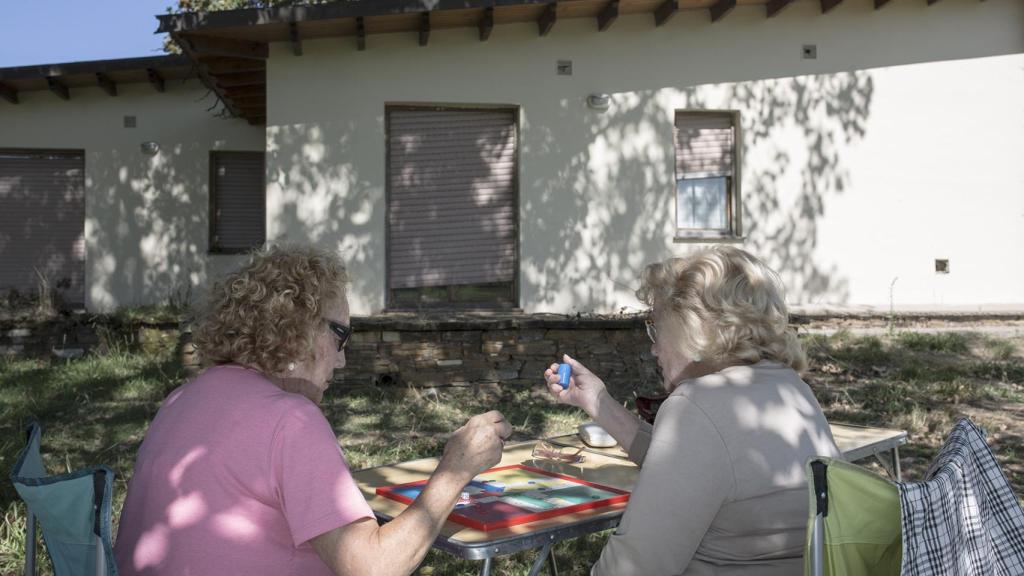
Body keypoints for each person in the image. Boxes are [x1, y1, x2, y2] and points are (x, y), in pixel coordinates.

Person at [115, 244, 511, 576]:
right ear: (296, 327)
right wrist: (456, 468)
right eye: (341, 335)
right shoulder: (289, 420)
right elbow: (374, 566)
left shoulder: (183, 398)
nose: (341, 361)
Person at [544, 246, 841, 575]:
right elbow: (692, 465)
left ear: (694, 328)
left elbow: (633, 567)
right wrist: (598, 402)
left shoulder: (698, 404)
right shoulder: (791, 389)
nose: (654, 346)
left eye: (657, 326)